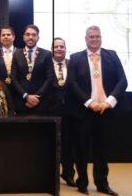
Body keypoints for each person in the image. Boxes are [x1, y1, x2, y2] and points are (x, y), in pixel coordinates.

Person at [68, 26, 127, 196]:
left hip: (105, 111)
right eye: (91, 37)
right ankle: (82, 183)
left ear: (101, 38)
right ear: (85, 39)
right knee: (81, 149)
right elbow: (72, 83)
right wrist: (89, 102)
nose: (94, 39)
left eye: (97, 36)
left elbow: (122, 81)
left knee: (102, 149)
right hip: (84, 111)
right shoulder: (76, 58)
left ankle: (102, 184)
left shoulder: (112, 56)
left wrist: (109, 102)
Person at [46, 37, 76, 187]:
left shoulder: (73, 64)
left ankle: (68, 174)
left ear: (65, 48)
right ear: (52, 49)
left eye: (61, 46)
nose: (59, 49)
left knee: (68, 144)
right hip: (50, 110)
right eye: (56, 46)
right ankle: (50, 174)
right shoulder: (46, 65)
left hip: (70, 111)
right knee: (51, 143)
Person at [10, 24, 54, 115]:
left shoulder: (47, 54)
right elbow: (14, 78)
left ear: (38, 37)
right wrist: (26, 96)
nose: (31, 37)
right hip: (22, 102)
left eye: (34, 35)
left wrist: (36, 97)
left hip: (41, 102)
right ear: (23, 37)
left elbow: (49, 78)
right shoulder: (16, 54)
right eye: (28, 34)